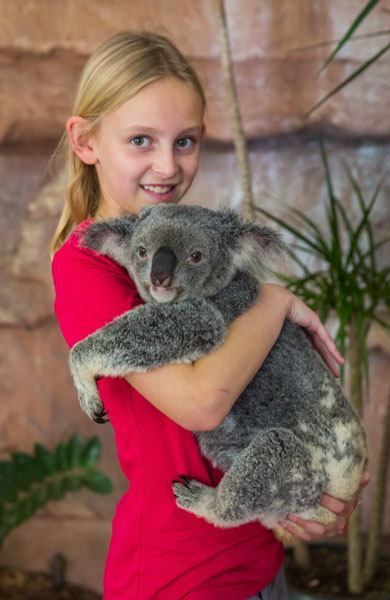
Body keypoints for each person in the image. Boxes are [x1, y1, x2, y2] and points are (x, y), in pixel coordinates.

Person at [51, 31, 368, 600]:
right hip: (181, 571)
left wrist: (317, 485)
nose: (167, 166)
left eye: (186, 141)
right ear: (86, 141)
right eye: (141, 140)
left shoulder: (199, 246)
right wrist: (273, 301)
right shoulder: (88, 267)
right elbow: (201, 404)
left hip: (255, 549)